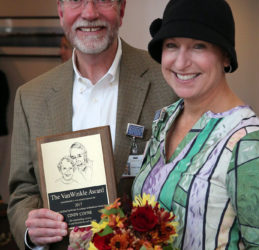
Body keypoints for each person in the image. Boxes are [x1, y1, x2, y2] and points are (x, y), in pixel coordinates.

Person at [7, 0, 177, 249]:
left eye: (103, 0)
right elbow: (22, 192)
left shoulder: (168, 84)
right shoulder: (30, 97)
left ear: (121, 10)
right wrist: (30, 229)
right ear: (61, 12)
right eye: (76, 0)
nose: (89, 13)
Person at [132, 0, 259, 249]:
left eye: (198, 46)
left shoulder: (248, 142)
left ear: (225, 56)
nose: (181, 62)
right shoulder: (165, 118)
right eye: (172, 45)